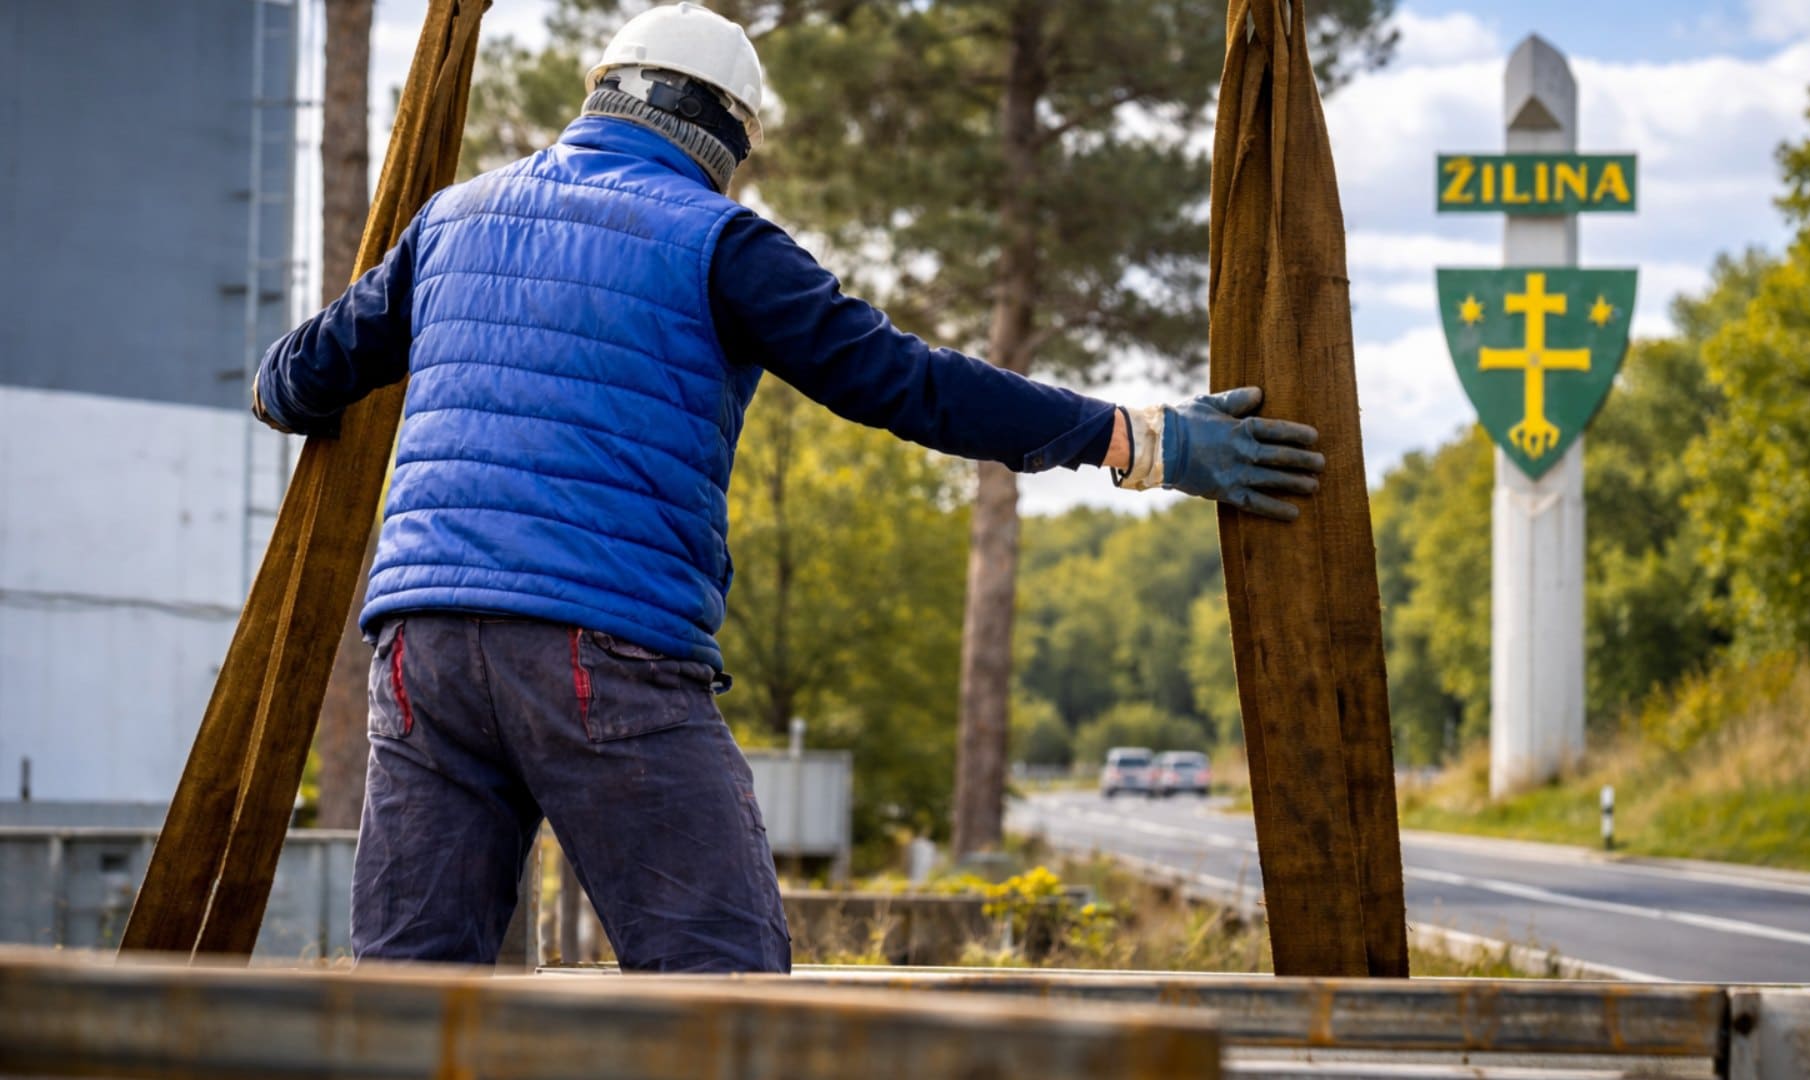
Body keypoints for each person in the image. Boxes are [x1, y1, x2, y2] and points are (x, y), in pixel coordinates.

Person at [252, 2, 1325, 974]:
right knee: (724, 992)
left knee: (413, 997)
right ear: (722, 136)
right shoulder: (718, 241)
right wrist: (1131, 439)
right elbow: (906, 384)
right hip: (600, 650)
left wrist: (301, 390)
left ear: (600, 93)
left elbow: (293, 378)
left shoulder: (449, 220)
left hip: (420, 653)